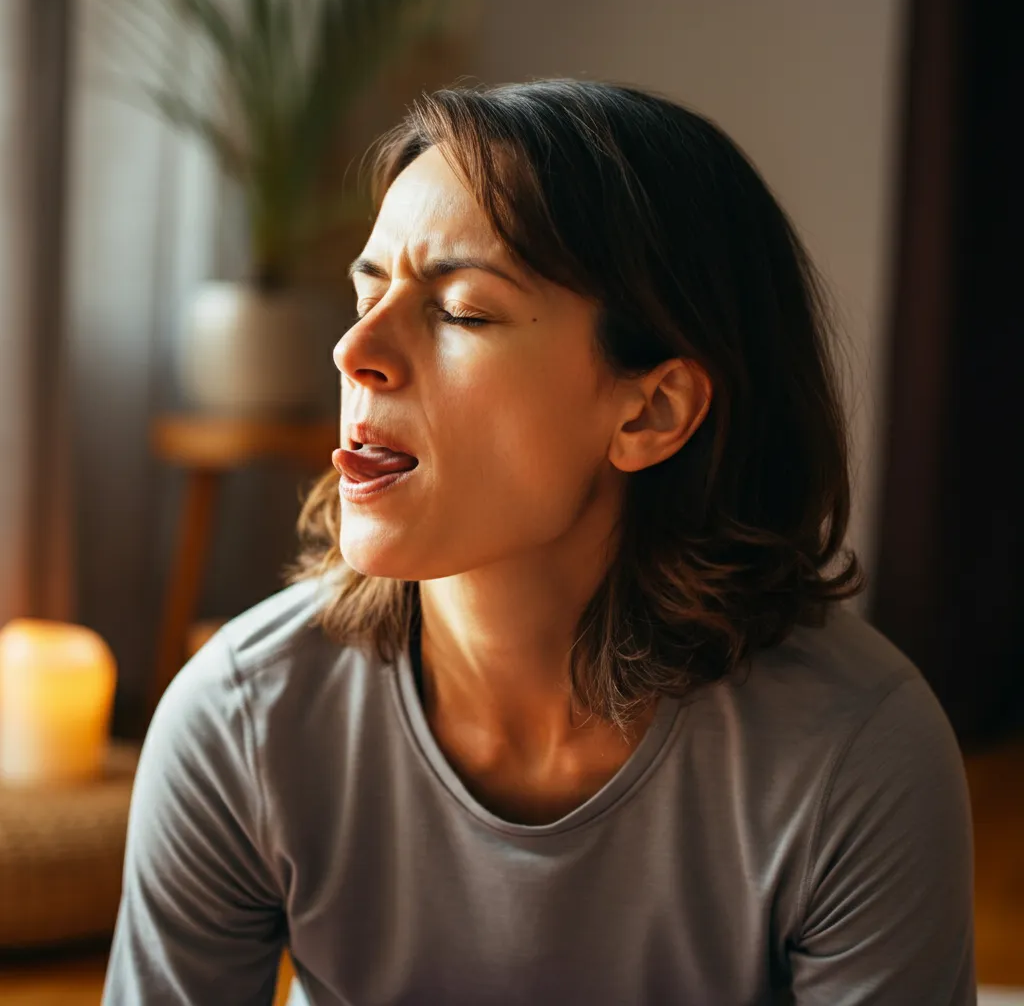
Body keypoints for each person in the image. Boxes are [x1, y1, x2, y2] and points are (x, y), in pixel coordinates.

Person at [103, 80, 975, 1005]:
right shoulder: (244, 721)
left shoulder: (855, 758)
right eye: (367, 292)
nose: (355, 349)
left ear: (652, 409)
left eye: (462, 311)